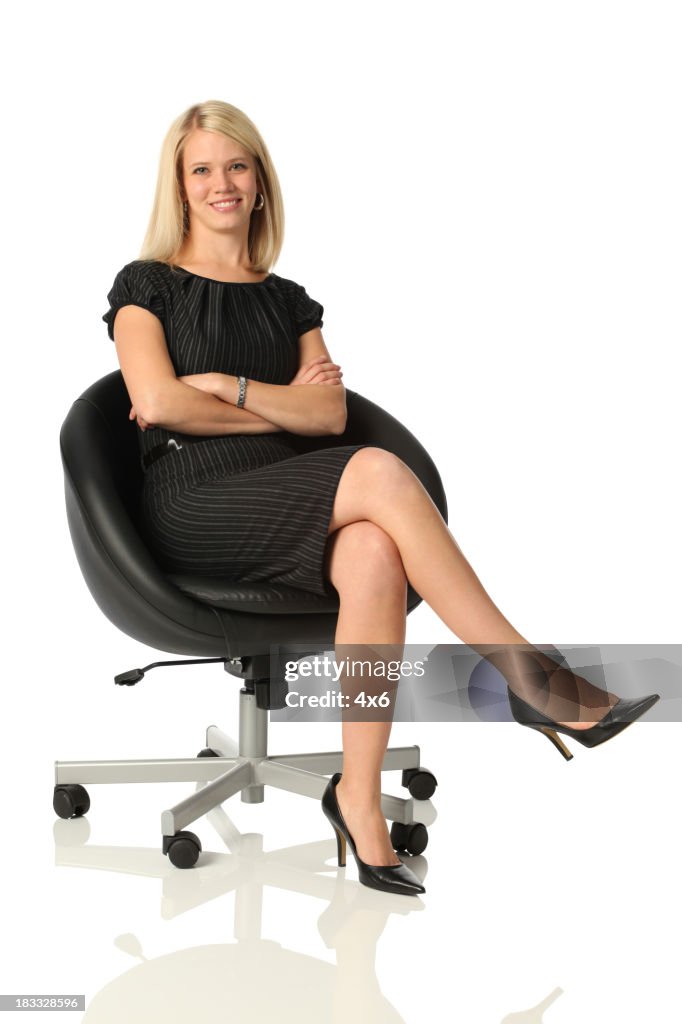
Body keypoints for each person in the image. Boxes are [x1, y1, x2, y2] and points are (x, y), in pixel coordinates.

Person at [103, 100, 659, 897]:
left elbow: (327, 414)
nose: (220, 183)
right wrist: (272, 401)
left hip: (289, 486)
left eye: (236, 166)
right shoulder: (144, 285)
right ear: (180, 187)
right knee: (378, 471)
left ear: (259, 182)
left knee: (372, 551)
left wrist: (224, 384)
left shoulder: (288, 299)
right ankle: (529, 676)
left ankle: (357, 800)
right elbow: (157, 404)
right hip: (193, 501)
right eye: (201, 170)